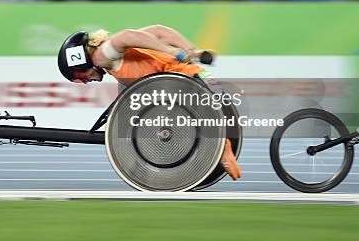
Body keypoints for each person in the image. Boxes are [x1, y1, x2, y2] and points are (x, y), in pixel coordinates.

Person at [57, 27, 241, 180]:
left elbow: (127, 36)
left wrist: (173, 52)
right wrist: (191, 50)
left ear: (80, 62)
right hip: (202, 78)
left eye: (80, 77)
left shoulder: (101, 56)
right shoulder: (114, 58)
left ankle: (221, 145)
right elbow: (160, 32)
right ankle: (215, 144)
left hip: (185, 82)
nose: (86, 81)